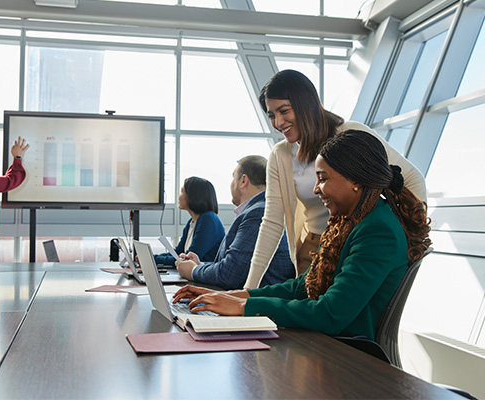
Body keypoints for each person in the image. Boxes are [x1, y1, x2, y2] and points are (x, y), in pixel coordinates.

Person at [173, 130, 431, 340]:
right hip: (328, 343)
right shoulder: (348, 222)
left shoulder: (378, 229)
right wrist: (235, 296)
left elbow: (331, 313)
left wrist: (243, 308)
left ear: (355, 180)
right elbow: (301, 287)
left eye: (323, 178)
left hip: (349, 356)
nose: (316, 189)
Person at [244, 69, 427, 288]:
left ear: (306, 103)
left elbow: (412, 179)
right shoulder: (280, 155)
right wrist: (248, 288)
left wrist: (408, 236)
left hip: (358, 244)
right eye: (271, 115)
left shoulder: (350, 134)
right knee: (306, 314)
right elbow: (272, 222)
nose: (278, 122)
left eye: (284, 111)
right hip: (314, 248)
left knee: (339, 315)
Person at [175, 156, 295, 289]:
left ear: (243, 180)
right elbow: (234, 266)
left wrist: (193, 271)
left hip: (256, 305)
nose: (231, 184)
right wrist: (200, 265)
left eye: (233, 178)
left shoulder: (258, 213)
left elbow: (229, 275)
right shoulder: (260, 209)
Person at [153, 176, 225, 267]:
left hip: (204, 279)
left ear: (193, 196)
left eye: (182, 191)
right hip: (194, 275)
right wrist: (153, 257)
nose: (179, 196)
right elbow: (178, 252)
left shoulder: (208, 220)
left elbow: (187, 259)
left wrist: (154, 259)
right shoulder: (193, 221)